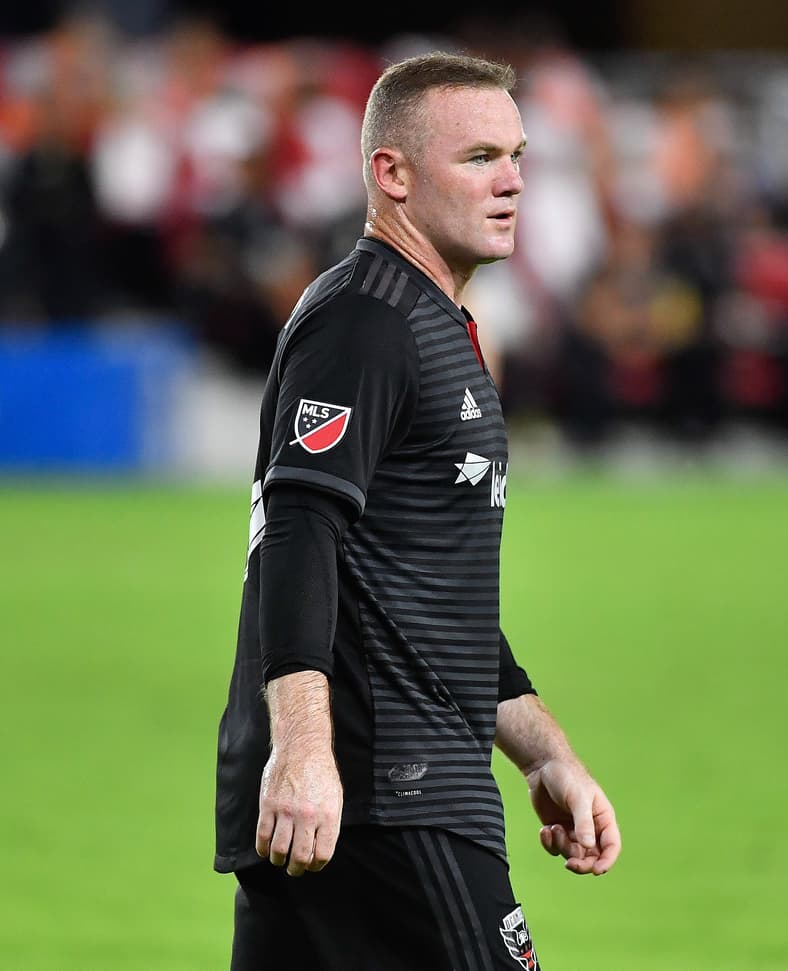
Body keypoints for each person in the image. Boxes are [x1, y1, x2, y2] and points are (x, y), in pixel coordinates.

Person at [214, 52, 621, 970]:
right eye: (479, 156)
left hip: (369, 792)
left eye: (518, 154)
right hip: (390, 792)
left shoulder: (434, 328)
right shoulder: (366, 322)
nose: (512, 180)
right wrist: (305, 752)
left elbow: (434, 596)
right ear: (390, 175)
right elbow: (300, 532)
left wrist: (544, 753)